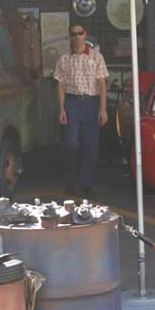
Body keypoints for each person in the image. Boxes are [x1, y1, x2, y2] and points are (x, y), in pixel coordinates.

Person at [53, 24, 109, 196]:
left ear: (85, 35)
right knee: (71, 143)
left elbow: (101, 84)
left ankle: (85, 183)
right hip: (72, 102)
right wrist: (61, 109)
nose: (77, 37)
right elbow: (60, 85)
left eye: (80, 33)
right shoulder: (64, 59)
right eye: (73, 34)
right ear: (70, 36)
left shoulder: (96, 57)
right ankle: (70, 180)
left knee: (90, 145)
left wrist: (103, 109)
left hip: (91, 102)